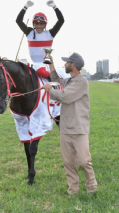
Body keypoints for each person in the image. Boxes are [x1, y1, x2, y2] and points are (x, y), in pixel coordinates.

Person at [42, 53, 98, 195]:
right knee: (68, 163)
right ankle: (73, 190)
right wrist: (51, 63)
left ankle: (92, 187)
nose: (65, 64)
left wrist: (49, 90)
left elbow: (65, 97)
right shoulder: (69, 81)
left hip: (79, 129)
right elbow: (55, 79)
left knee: (84, 162)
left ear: (73, 64)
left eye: (67, 62)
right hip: (65, 128)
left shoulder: (81, 82)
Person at [16, 0, 64, 78]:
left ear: (45, 25)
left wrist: (55, 7)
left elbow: (61, 21)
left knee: (42, 73)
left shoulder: (50, 33)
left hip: (46, 66)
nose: (39, 26)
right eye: (36, 24)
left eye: (41, 24)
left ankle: (56, 83)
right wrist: (25, 7)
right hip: (34, 65)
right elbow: (18, 21)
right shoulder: (29, 32)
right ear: (33, 24)